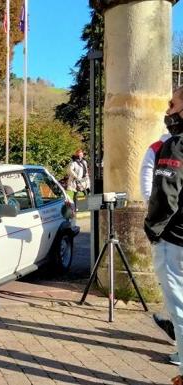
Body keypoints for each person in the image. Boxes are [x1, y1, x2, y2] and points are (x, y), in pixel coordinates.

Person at [144, 86, 183, 385]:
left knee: (178, 304)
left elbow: (164, 197)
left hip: (175, 239)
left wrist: (153, 230)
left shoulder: (174, 146)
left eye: (172, 104)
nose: (167, 109)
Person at [140, 132, 178, 365]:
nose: (167, 110)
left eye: (173, 104)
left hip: (173, 231)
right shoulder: (160, 144)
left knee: (175, 290)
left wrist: (156, 224)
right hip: (173, 226)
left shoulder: (168, 145)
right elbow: (148, 183)